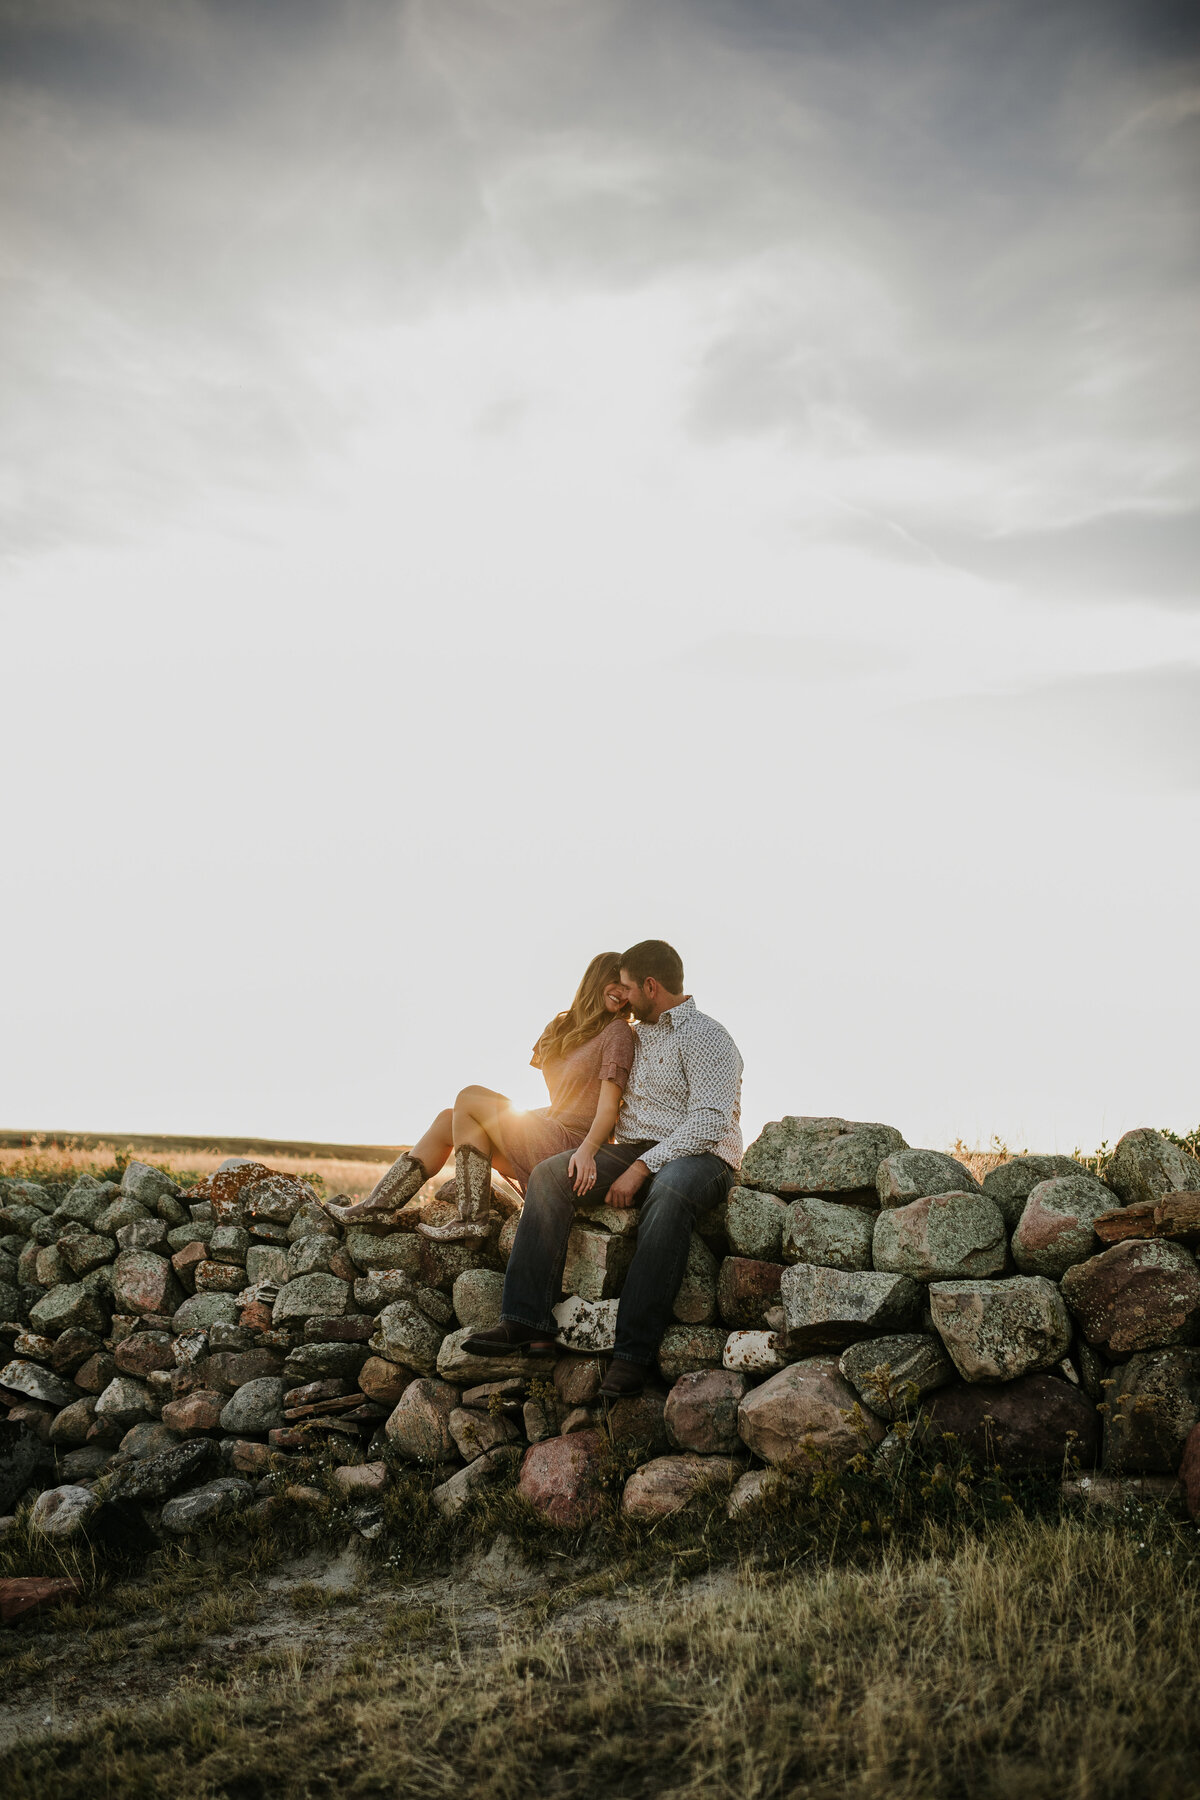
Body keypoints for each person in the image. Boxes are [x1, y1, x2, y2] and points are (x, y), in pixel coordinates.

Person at [461, 939, 743, 1395]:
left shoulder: (708, 1036)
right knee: (554, 1174)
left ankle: (632, 1355)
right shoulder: (632, 1032)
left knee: (669, 1194)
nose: (623, 996)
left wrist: (644, 1167)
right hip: (634, 1148)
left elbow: (709, 1122)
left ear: (651, 986)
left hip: (702, 1156)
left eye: (628, 987)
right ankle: (524, 1319)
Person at [320, 953, 637, 1241]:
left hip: (575, 1150)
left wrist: (583, 1149)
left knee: (470, 1097)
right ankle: (376, 1209)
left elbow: (608, 1110)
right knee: (448, 1119)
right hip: (549, 1133)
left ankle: (472, 1220)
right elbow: (566, 1096)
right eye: (616, 982)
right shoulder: (561, 1026)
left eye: (627, 989)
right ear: (595, 978)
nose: (622, 994)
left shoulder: (619, 1032)